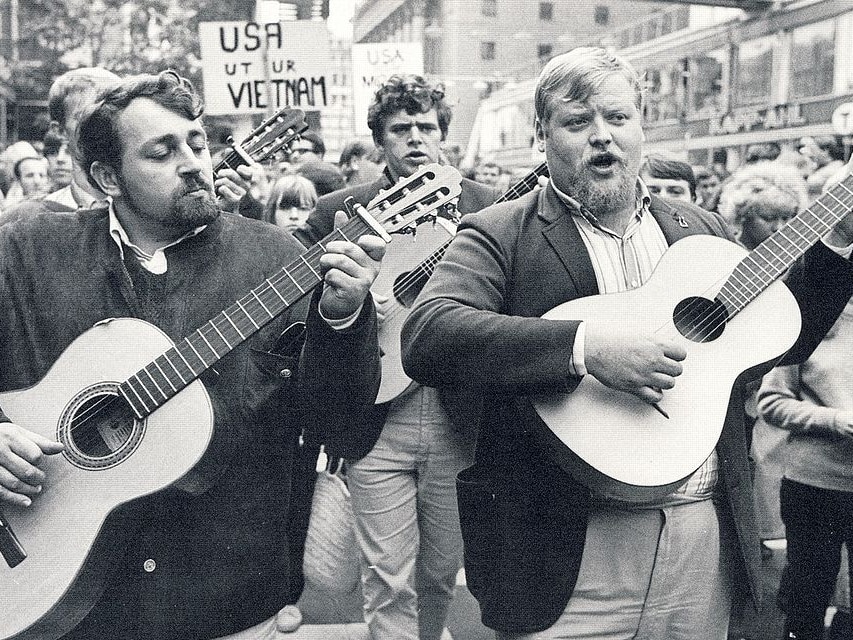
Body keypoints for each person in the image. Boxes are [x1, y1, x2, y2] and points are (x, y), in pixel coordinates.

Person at [399, 46, 853, 640]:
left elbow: (776, 343)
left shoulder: (700, 229)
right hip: (565, 546)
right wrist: (586, 347)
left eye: (618, 118)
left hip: (699, 538)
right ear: (543, 135)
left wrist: (837, 240)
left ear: (643, 125)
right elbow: (430, 333)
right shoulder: (502, 232)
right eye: (577, 121)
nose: (602, 138)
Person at [0, 69, 385, 640]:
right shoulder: (29, 251)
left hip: (226, 594)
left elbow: (344, 424)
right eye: (162, 152)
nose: (193, 163)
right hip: (65, 596)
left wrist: (342, 320)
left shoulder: (277, 257)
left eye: (197, 143)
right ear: (108, 177)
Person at [306, 73, 499, 640]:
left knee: (440, 571)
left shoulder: (485, 208)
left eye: (427, 127)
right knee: (388, 575)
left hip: (455, 412)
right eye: (400, 128)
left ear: (443, 135)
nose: (416, 138)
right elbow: (309, 318)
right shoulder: (339, 212)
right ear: (379, 141)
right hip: (375, 415)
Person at [757, 297, 853, 640]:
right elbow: (770, 402)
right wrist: (835, 420)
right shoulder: (810, 317)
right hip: (814, 487)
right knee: (805, 605)